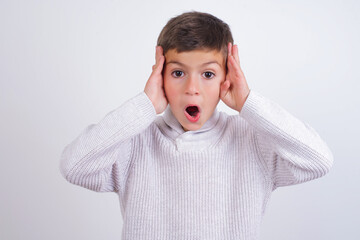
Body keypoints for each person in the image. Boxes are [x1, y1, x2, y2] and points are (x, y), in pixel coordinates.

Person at [59, 11, 334, 240]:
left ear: (227, 78)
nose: (193, 89)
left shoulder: (252, 141)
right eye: (178, 73)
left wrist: (249, 102)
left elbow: (319, 160)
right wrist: (144, 106)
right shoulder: (135, 141)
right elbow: (74, 167)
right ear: (160, 76)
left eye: (208, 74)